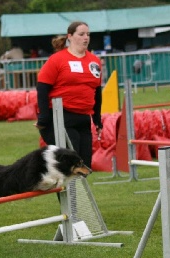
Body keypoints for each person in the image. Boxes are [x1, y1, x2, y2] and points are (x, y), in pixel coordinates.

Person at [35, 21, 102, 168]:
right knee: (70, 163)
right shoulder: (57, 59)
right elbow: (42, 88)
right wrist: (44, 117)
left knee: (85, 165)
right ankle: (68, 191)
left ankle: (75, 190)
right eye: (81, 34)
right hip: (61, 117)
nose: (86, 38)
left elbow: (97, 91)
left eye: (88, 34)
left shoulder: (94, 61)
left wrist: (97, 119)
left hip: (84, 118)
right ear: (70, 36)